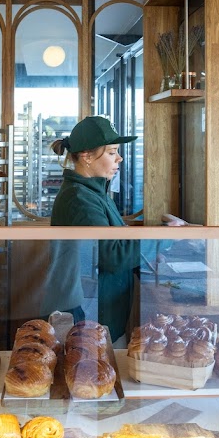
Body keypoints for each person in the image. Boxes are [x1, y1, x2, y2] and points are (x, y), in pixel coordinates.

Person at [50, 116, 141, 343]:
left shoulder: (94, 192)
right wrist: (165, 236)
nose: (119, 158)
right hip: (88, 318)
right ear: (87, 156)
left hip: (101, 315)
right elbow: (113, 256)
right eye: (112, 152)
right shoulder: (80, 199)